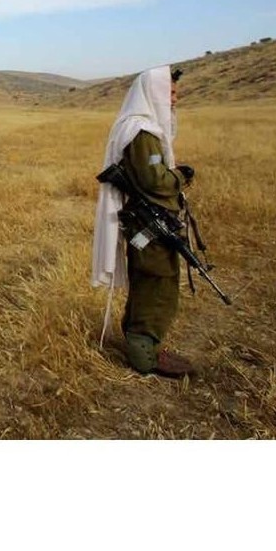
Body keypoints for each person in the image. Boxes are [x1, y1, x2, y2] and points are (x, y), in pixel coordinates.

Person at [91, 65, 197, 377]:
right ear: (154, 92)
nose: (174, 99)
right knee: (156, 281)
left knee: (152, 280)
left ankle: (144, 345)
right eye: (170, 92)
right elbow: (154, 181)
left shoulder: (141, 128)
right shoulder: (141, 132)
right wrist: (181, 176)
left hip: (152, 220)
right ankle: (144, 354)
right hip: (149, 223)